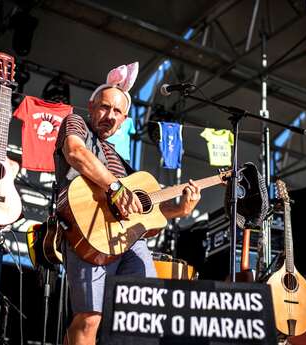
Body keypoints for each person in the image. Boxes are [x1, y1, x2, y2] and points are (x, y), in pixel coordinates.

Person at [54, 62, 201, 345]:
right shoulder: (76, 123)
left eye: (117, 112)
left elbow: (144, 212)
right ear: (91, 105)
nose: (110, 116)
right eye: (104, 107)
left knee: (142, 314)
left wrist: (179, 210)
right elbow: (76, 153)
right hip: (86, 232)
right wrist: (114, 186)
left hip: (128, 240)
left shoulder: (123, 164)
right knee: (89, 318)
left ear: (124, 120)